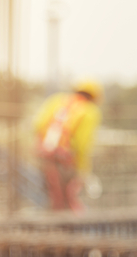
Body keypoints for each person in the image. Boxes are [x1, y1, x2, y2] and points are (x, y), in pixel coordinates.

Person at [33, 78, 103, 212]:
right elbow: (82, 145)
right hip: (66, 160)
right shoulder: (90, 111)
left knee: (54, 195)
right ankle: (67, 220)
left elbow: (38, 125)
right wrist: (83, 168)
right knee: (69, 196)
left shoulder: (57, 100)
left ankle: (56, 217)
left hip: (44, 155)